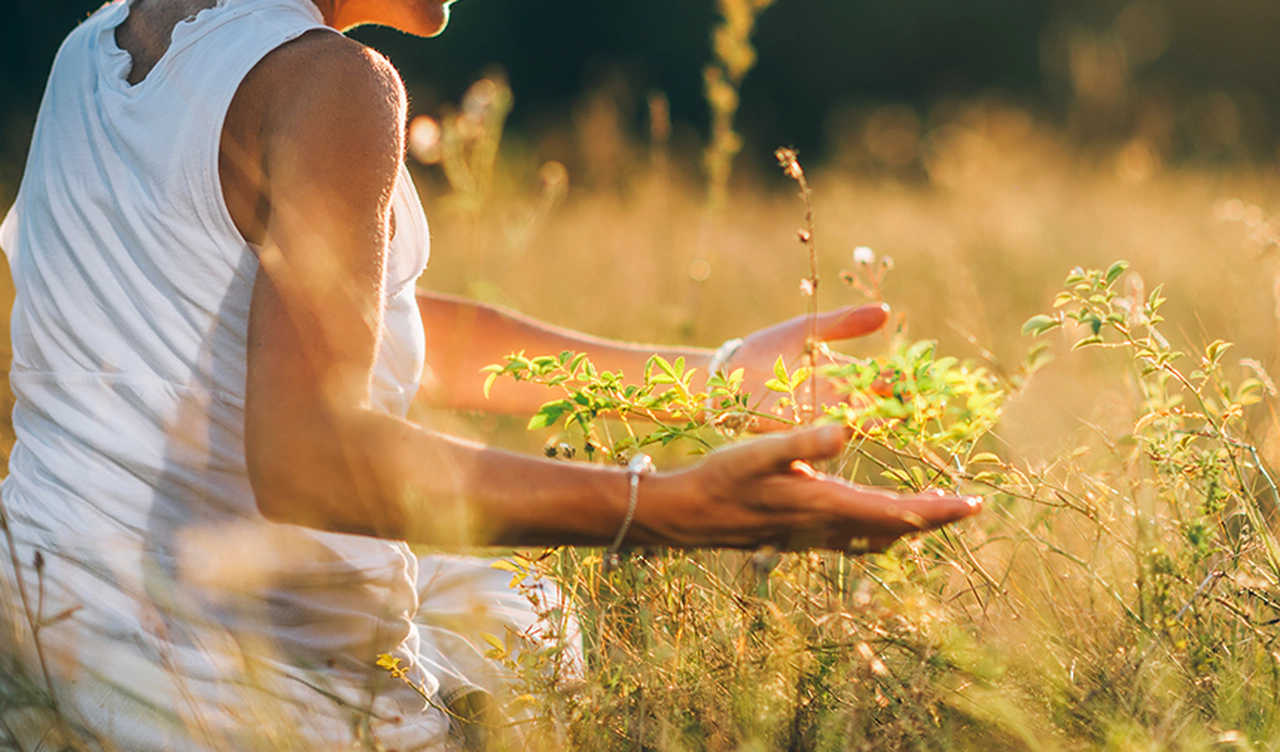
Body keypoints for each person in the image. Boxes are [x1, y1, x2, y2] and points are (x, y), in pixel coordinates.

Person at [0, 0, 981, 749]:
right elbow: (309, 453)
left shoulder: (99, 49)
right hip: (237, 705)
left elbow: (333, 326)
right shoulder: (330, 82)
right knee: (541, 637)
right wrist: (666, 508)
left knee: (513, 605)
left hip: (41, 646)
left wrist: (708, 380)